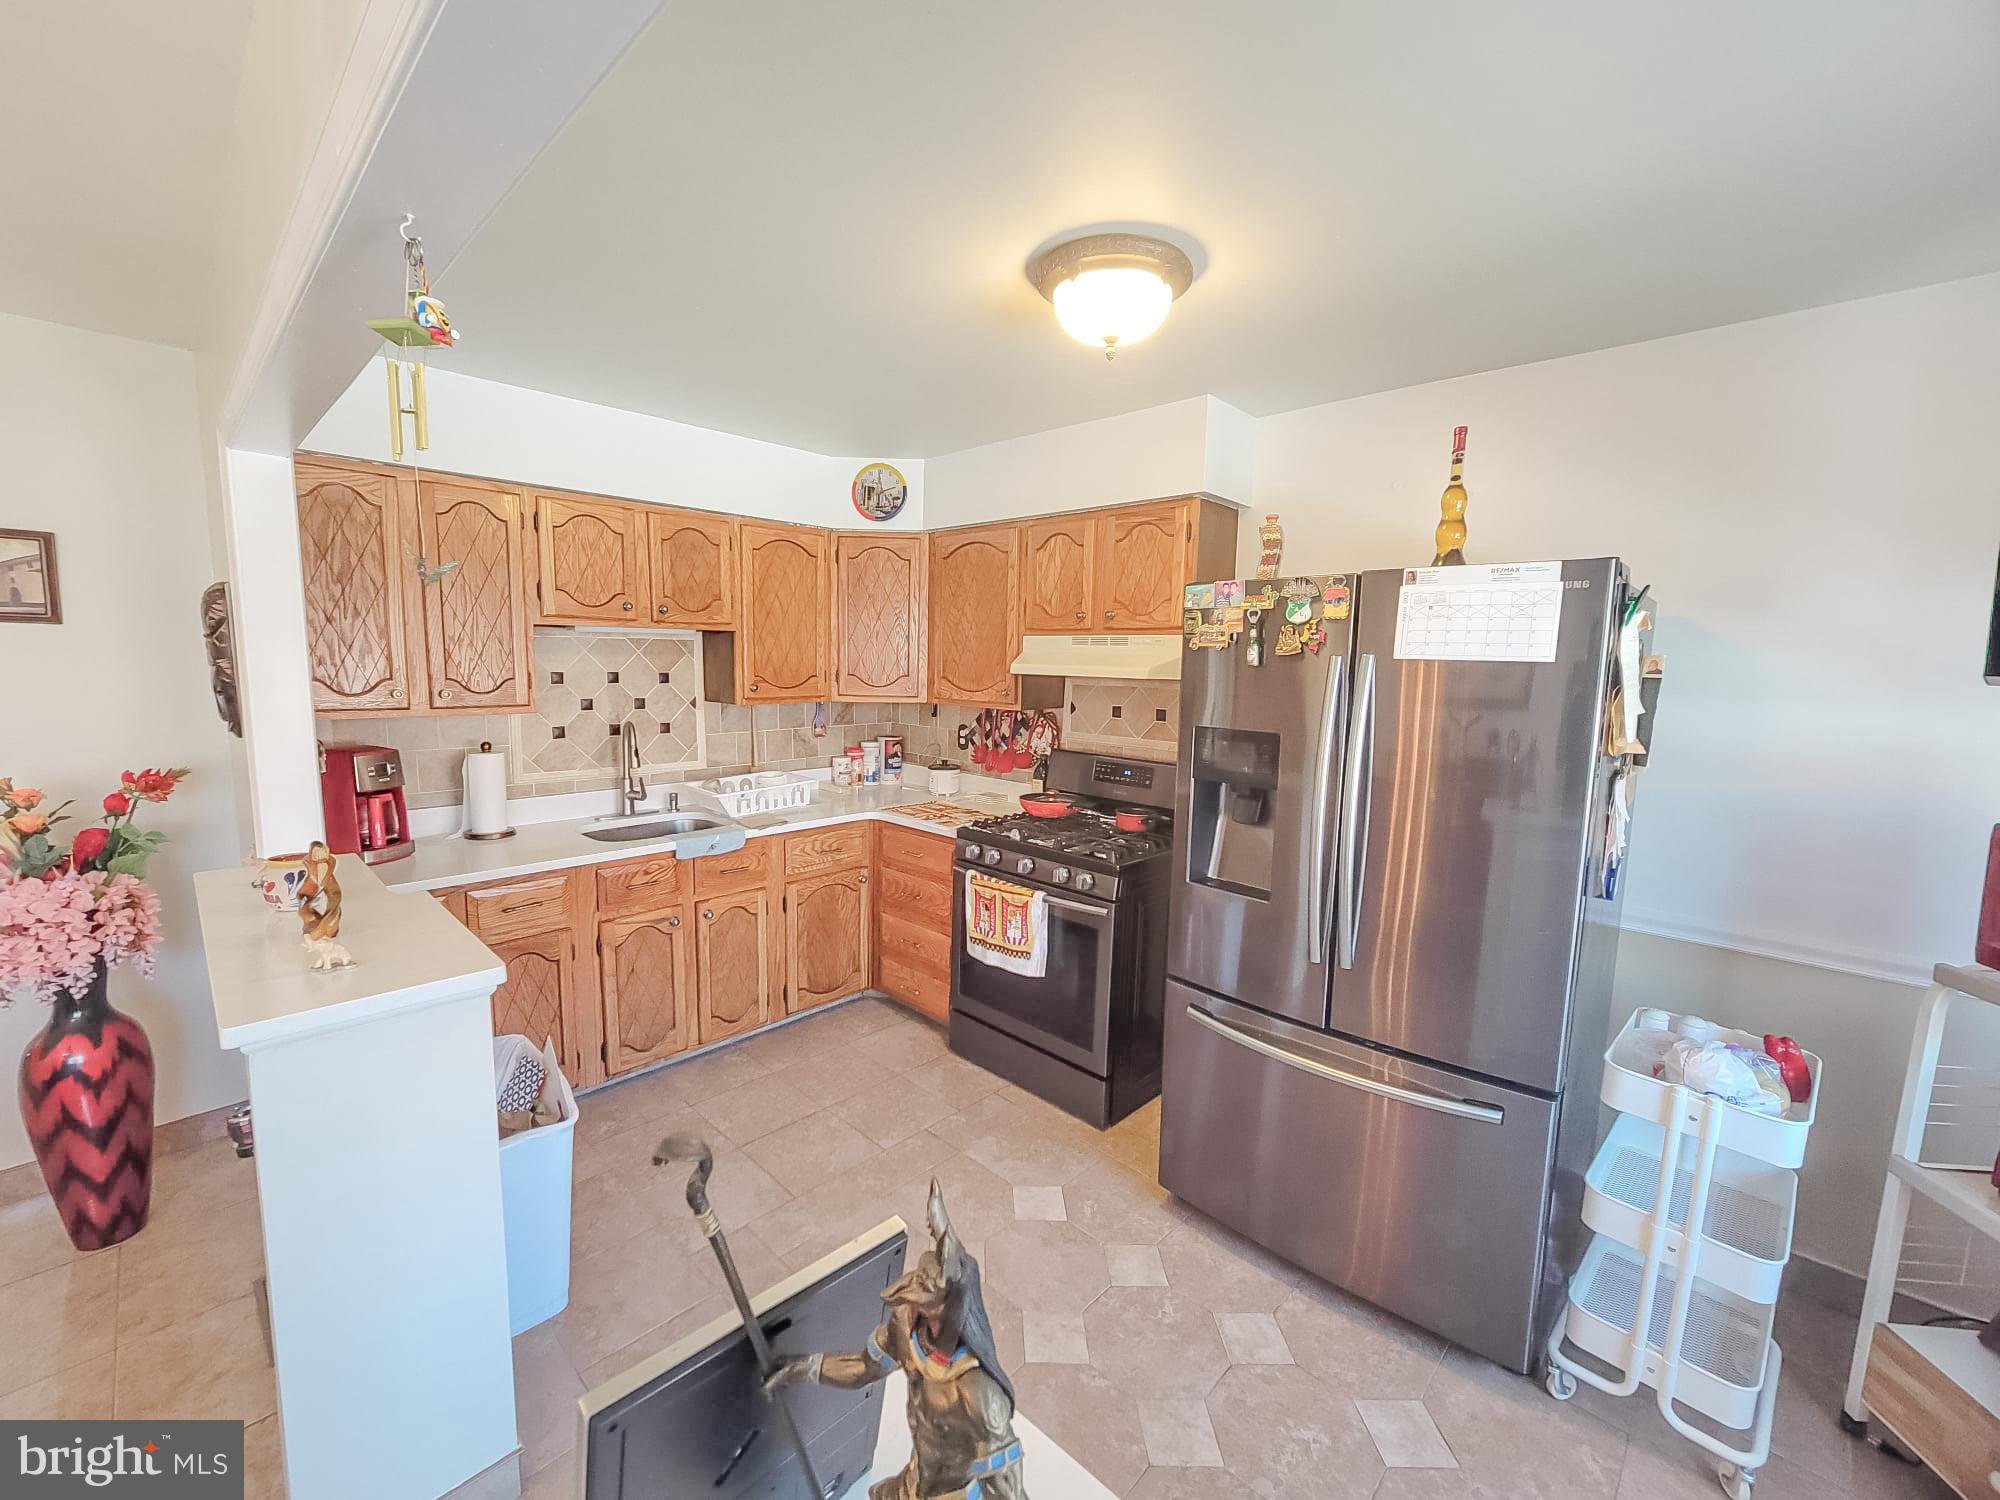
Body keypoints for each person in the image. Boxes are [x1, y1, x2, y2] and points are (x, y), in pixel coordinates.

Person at [768, 1181, 1025, 1499]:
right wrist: (804, 1368)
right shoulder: (907, 1328)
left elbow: (1008, 1489)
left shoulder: (979, 1395)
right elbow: (864, 1368)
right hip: (915, 1482)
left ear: (954, 1305)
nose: (915, 1294)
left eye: (928, 1288)